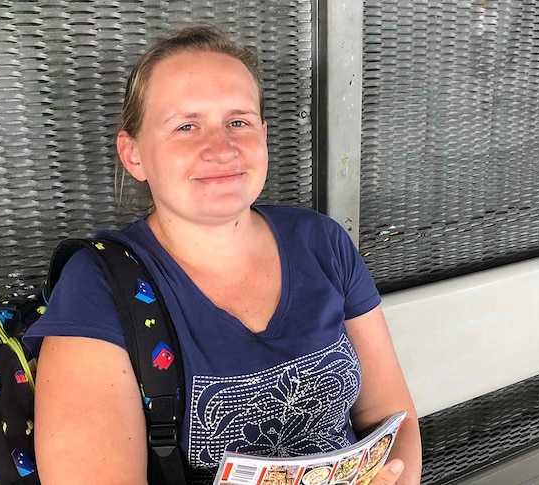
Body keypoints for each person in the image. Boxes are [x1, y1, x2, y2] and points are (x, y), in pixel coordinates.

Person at [24, 23, 422, 484]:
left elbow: (393, 416)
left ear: (263, 135)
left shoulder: (321, 242)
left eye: (238, 122)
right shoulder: (100, 285)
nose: (222, 148)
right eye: (186, 126)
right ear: (133, 155)